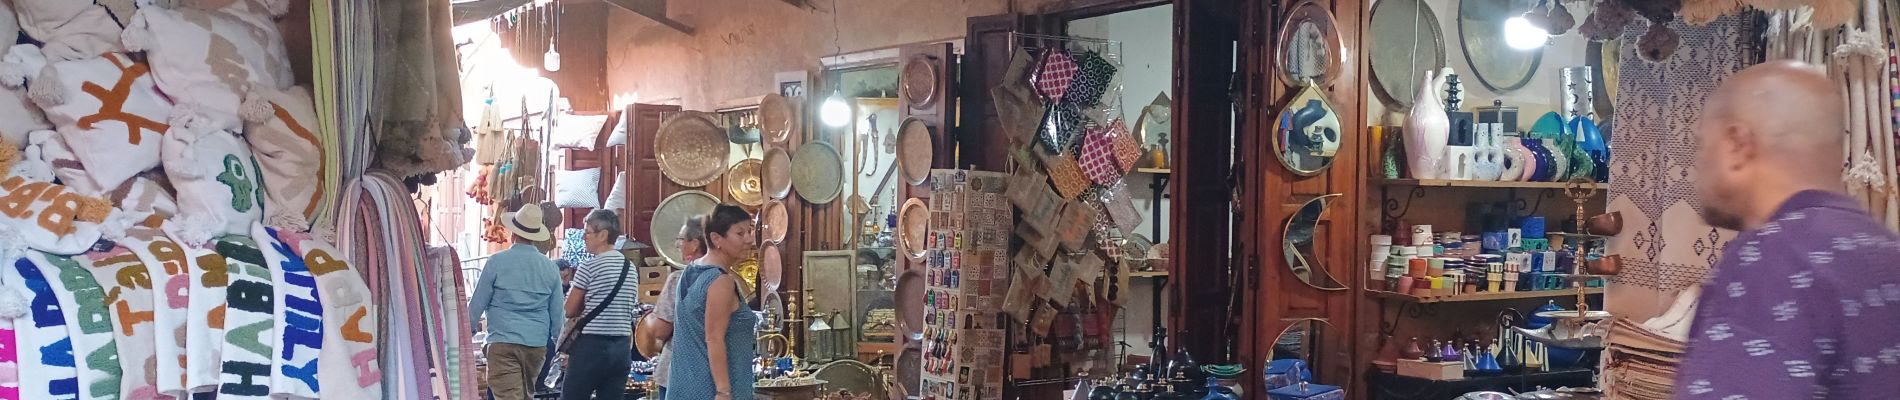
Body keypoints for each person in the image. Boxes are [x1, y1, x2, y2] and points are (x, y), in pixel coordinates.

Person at [1676, 60, 1900, 399]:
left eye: (1702, 146)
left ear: (1737, 145)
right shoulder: (1886, 248)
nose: (1699, 163)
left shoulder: (1771, 261)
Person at [469, 204, 565, 400]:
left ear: (513, 233)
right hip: (536, 347)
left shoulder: (496, 262)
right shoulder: (550, 268)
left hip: (503, 342)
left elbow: (477, 303)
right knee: (525, 395)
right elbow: (557, 315)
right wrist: (561, 346)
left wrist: (466, 333)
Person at [667, 205, 760, 400]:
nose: (749, 239)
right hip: (709, 390)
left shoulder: (690, 270)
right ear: (716, 239)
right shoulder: (720, 281)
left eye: (749, 231)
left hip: (683, 386)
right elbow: (714, 339)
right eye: (740, 233)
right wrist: (723, 391)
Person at [560, 210, 641, 400]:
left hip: (591, 346)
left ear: (603, 235)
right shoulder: (630, 268)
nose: (583, 238)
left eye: (587, 232)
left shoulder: (588, 267)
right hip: (622, 347)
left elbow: (569, 310)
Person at [644, 215, 706, 399]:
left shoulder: (679, 280)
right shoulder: (727, 279)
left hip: (679, 369)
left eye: (681, 239)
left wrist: (650, 320)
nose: (678, 245)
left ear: (694, 244)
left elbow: (661, 330)